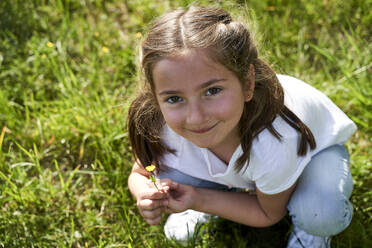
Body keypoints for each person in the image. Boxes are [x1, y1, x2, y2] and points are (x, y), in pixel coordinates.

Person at [127, 6, 357, 248]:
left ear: (247, 83)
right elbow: (141, 173)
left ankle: (311, 229)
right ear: (155, 96)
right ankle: (222, 197)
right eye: (174, 98)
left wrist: (200, 199)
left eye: (212, 91)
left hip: (314, 156)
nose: (195, 117)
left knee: (321, 212)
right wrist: (145, 193)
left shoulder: (276, 138)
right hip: (251, 170)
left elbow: (267, 213)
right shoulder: (158, 123)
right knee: (167, 170)